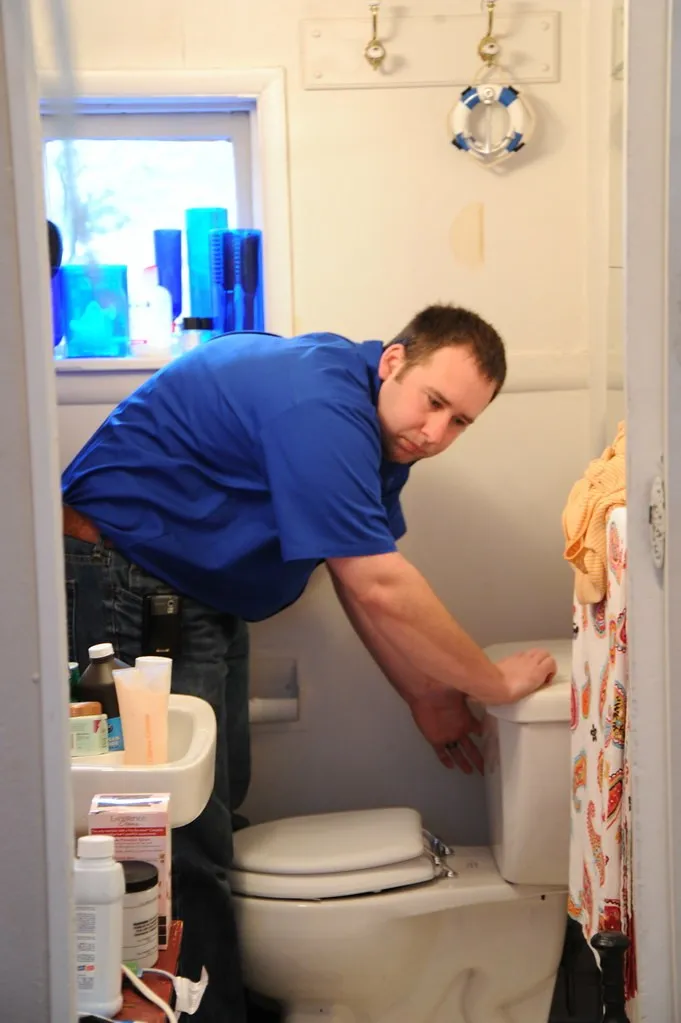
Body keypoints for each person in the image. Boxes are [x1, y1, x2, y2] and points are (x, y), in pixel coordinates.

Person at [62, 304, 556, 1022]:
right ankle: (203, 1010)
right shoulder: (321, 407)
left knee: (216, 804)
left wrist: (424, 697)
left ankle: (212, 991)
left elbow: (360, 574)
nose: (436, 433)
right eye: (435, 403)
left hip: (183, 584)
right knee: (178, 826)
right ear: (391, 362)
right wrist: (488, 681)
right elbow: (377, 584)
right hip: (122, 573)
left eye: (460, 423)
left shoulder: (376, 431)